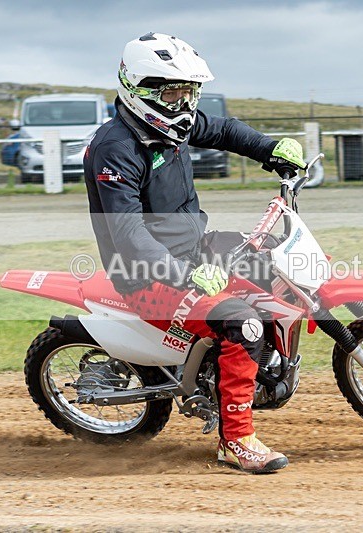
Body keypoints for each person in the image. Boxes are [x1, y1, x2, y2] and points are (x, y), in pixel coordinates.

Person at [83, 32, 305, 474]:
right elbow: (128, 235)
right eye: (174, 92)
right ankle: (236, 441)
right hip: (147, 273)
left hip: (194, 247)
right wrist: (183, 274)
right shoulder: (117, 149)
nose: (186, 104)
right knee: (243, 324)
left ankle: (261, 369)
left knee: (279, 263)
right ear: (139, 88)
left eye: (191, 93)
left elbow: (222, 128)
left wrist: (270, 148)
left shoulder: (171, 122)